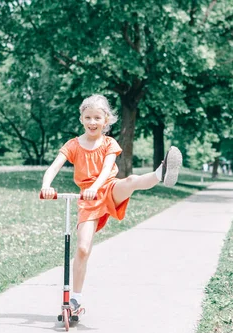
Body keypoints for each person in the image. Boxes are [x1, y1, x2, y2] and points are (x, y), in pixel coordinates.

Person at [40, 94, 182, 313]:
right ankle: (75, 299)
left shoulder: (109, 144)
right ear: (81, 119)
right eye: (88, 117)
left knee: (131, 181)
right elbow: (53, 167)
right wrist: (46, 185)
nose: (92, 122)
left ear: (105, 120)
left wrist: (95, 188)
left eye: (97, 117)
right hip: (86, 200)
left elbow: (106, 169)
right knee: (82, 248)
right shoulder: (73, 145)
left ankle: (160, 172)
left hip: (107, 188)